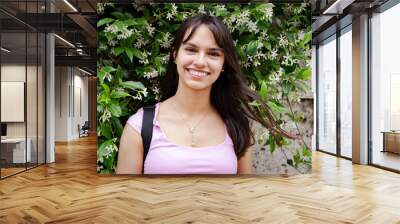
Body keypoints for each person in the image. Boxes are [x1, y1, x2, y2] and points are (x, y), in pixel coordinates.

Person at [116, 14, 291, 175]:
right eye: (191, 50)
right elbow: (125, 202)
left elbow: (243, 196)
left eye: (213, 54)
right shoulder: (139, 126)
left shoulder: (236, 127)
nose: (200, 62)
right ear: (175, 55)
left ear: (223, 64)